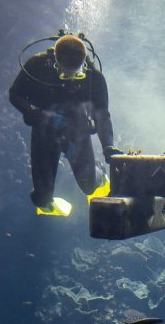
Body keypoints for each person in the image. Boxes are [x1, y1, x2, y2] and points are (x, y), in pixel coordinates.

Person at [9, 33, 122, 215]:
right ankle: (45, 199)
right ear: (55, 61)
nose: (70, 77)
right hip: (44, 129)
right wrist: (39, 114)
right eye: (66, 72)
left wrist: (108, 147)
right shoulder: (37, 66)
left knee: (89, 187)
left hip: (77, 131)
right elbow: (15, 94)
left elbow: (102, 114)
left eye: (76, 72)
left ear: (83, 63)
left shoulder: (93, 77)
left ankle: (98, 172)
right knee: (41, 198)